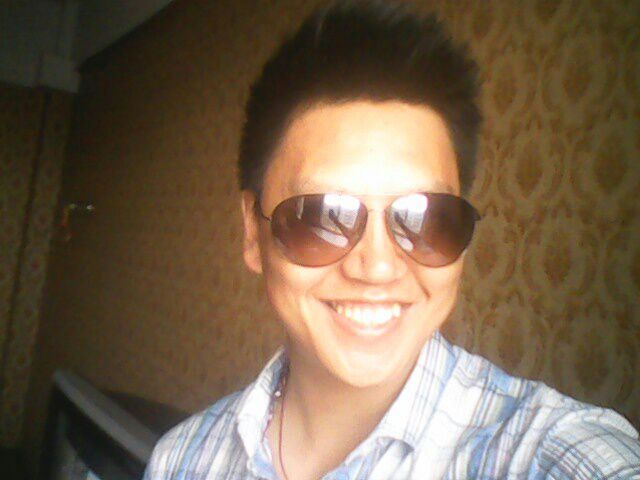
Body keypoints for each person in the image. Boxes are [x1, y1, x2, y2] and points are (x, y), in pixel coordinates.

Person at [144, 1, 640, 478]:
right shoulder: (181, 460)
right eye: (322, 216)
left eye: (425, 218)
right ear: (254, 231)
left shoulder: (546, 451)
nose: (378, 266)